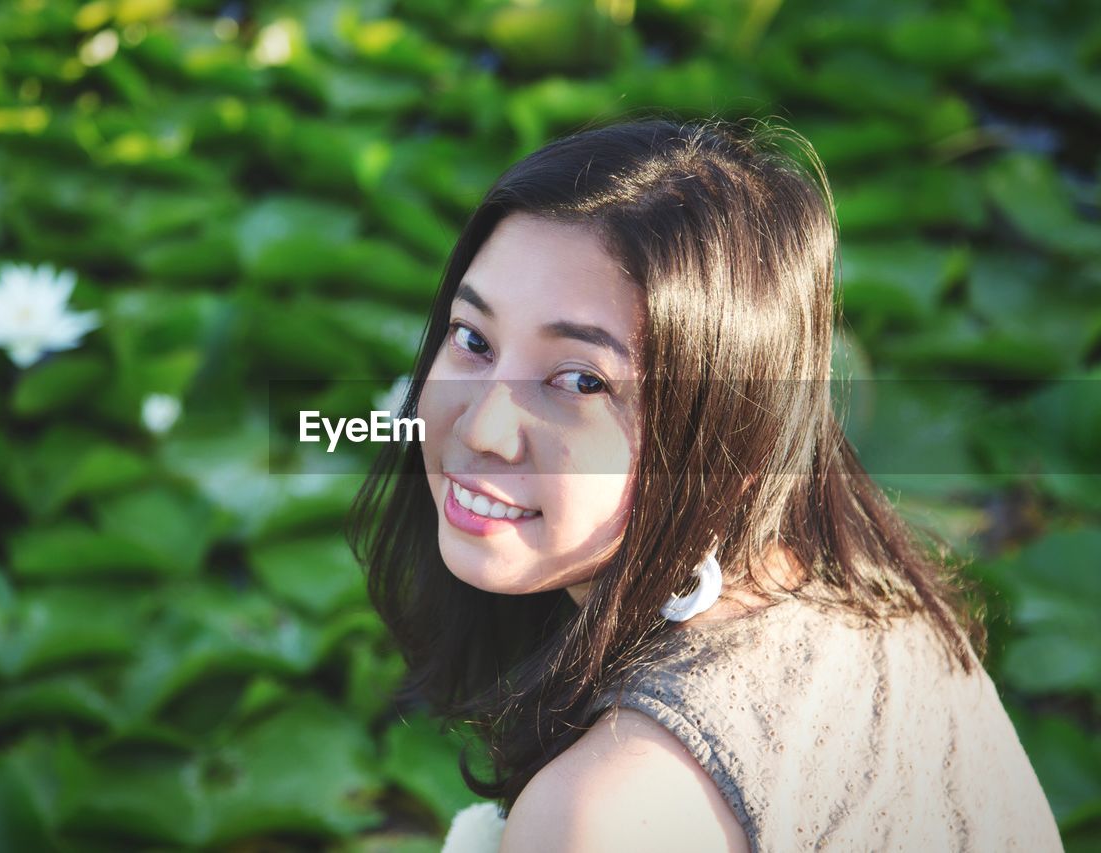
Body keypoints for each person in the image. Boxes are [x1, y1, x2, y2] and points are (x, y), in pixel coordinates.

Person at [345, 117, 1063, 852]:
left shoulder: (605, 813)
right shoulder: (867, 587)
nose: (481, 430)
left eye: (582, 380)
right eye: (473, 338)